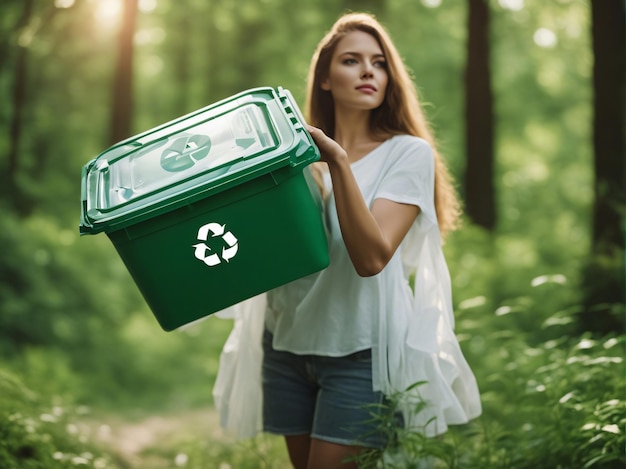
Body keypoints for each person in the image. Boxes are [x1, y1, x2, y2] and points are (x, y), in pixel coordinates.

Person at [212, 12, 482, 468]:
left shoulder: (408, 153)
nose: (367, 72)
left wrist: (337, 160)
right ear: (324, 79)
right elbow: (258, 245)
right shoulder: (291, 155)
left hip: (360, 353)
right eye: (352, 60)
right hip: (286, 346)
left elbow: (372, 257)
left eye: (378, 63)